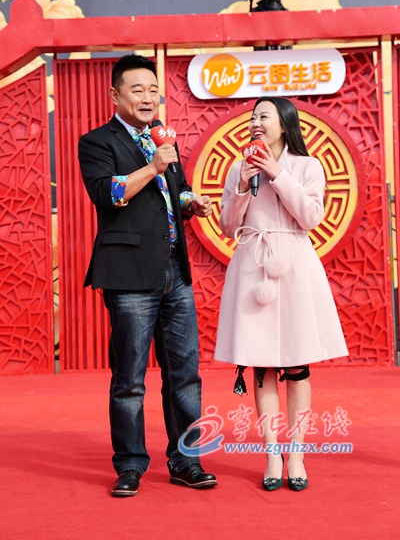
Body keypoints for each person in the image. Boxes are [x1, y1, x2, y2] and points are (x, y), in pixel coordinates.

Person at [78, 54, 217, 497]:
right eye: (137, 89)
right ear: (115, 95)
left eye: (154, 90)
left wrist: (192, 203)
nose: (147, 97)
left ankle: (186, 460)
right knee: (130, 379)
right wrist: (154, 166)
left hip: (175, 269)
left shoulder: (163, 139)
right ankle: (131, 464)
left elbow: (176, 193)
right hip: (129, 275)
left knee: (185, 374)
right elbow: (108, 193)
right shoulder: (96, 142)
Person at [214, 96, 348, 491]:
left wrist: (276, 173)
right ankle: (273, 454)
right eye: (252, 117)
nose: (255, 123)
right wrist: (242, 185)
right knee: (262, 365)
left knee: (297, 363)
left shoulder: (308, 166)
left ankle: (297, 454)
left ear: (285, 124)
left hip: (294, 267)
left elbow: (310, 217)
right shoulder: (239, 167)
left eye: (264, 116)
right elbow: (227, 226)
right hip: (253, 266)